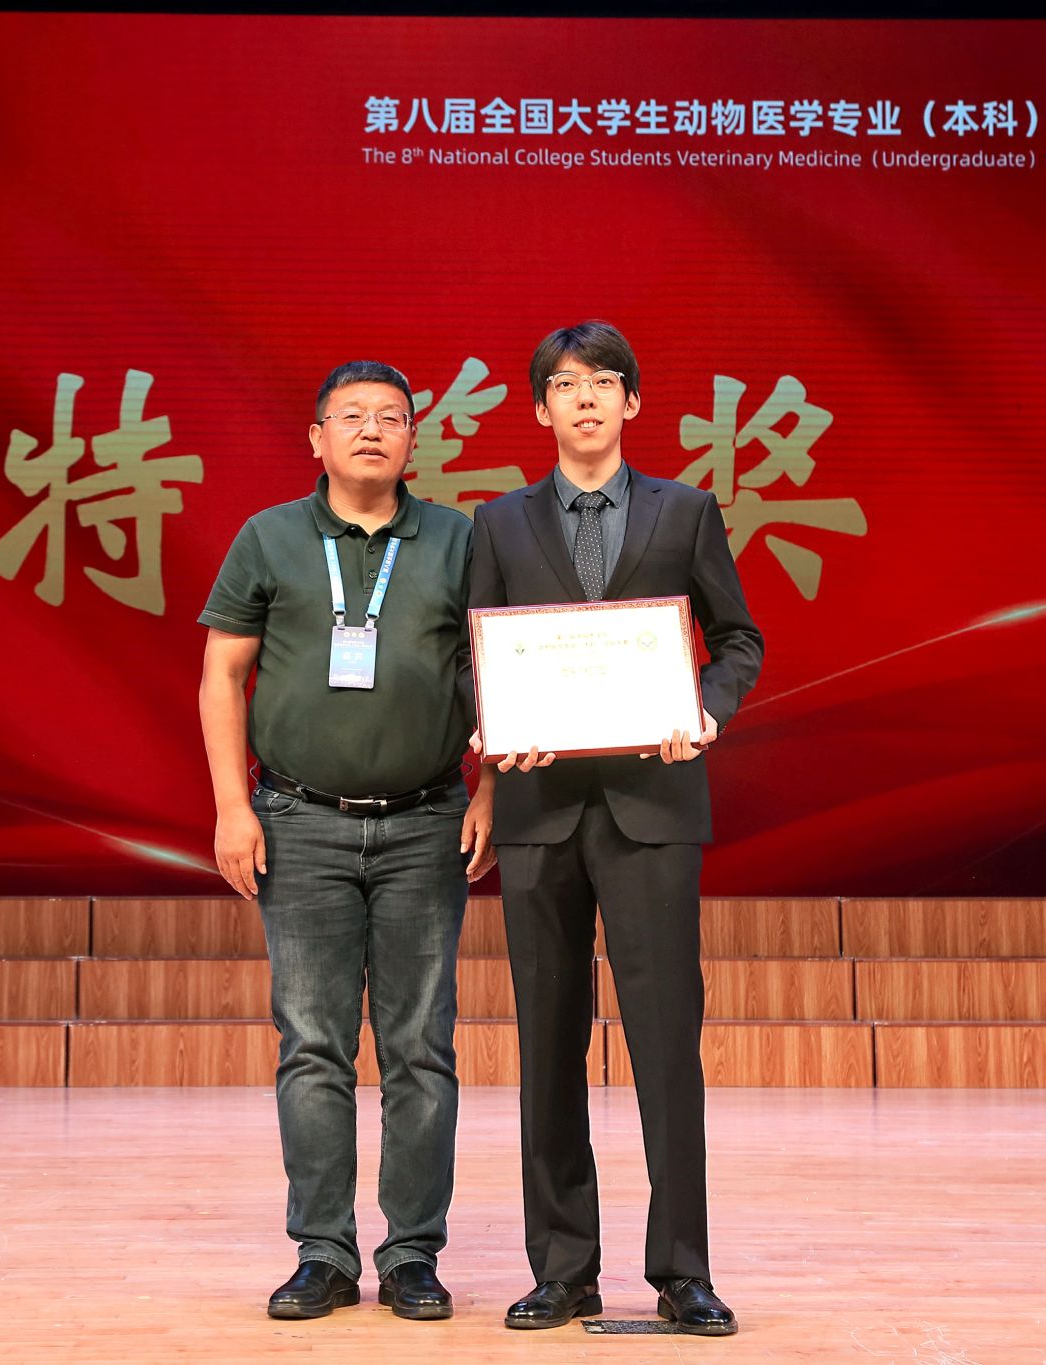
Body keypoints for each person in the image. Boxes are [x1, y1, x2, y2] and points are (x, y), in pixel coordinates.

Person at [470, 322, 764, 1336]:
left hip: (653, 807)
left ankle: (682, 1270)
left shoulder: (685, 510)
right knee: (547, 1043)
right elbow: (471, 653)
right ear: (540, 408)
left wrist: (705, 710)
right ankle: (562, 1268)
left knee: (665, 1044)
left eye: (603, 382)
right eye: (565, 384)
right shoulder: (497, 523)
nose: (586, 398)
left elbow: (736, 637)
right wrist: (493, 722)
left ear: (632, 402)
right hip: (538, 811)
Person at [197, 360, 496, 1321]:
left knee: (421, 1047)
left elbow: (501, 668)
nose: (372, 429)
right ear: (317, 438)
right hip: (298, 823)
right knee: (313, 1046)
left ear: (414, 439)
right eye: (351, 415)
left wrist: (490, 789)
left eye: (391, 416)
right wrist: (231, 806)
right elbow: (221, 674)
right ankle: (322, 1251)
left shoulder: (460, 539)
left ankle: (412, 1254)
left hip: (426, 823)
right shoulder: (269, 537)